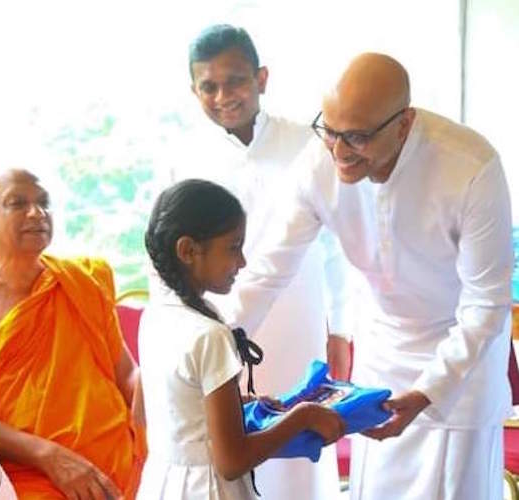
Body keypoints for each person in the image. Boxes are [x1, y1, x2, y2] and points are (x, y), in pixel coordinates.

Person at [231, 53, 513, 500]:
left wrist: (427, 392)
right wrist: (215, 340)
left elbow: (486, 305)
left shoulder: (471, 166)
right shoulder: (319, 161)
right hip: (382, 355)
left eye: (357, 137)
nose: (340, 152)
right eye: (331, 131)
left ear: (404, 124)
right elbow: (268, 269)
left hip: (462, 365)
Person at [176, 24, 352, 498]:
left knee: (301, 439)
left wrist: (341, 329)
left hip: (301, 316)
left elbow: (337, 247)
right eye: (208, 86)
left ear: (262, 78)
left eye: (234, 80)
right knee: (238, 440)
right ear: (194, 91)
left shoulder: (310, 145)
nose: (223, 95)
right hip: (220, 325)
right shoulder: (184, 158)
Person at [0, 168, 146, 499]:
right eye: (17, 203)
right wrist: (48, 456)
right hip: (30, 473)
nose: (37, 213)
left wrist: (178, 384)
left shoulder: (82, 281)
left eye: (44, 203)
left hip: (122, 464)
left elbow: (128, 376)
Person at [137, 179, 345, 499]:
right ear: (188, 250)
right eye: (233, 247)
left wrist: (239, 406)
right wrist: (303, 416)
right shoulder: (210, 335)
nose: (243, 262)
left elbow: (160, 408)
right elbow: (232, 461)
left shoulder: (155, 316)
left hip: (162, 484)